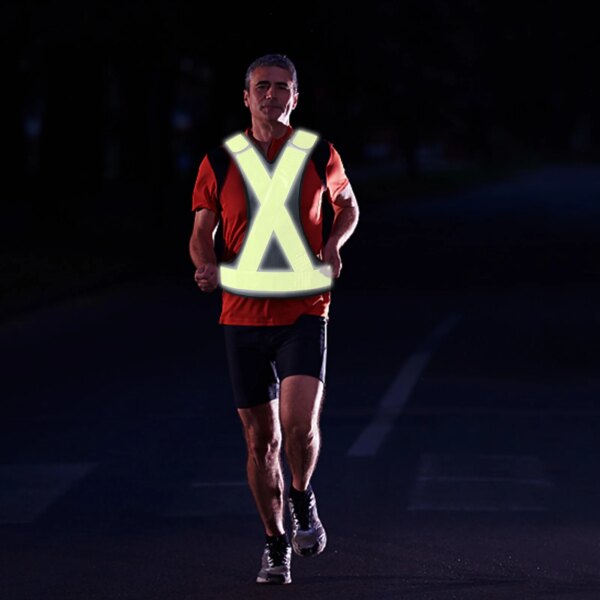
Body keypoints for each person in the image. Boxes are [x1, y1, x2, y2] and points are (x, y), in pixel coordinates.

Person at [189, 53, 359, 585]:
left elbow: (347, 204)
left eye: (280, 87)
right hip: (241, 315)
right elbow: (201, 229)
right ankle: (275, 541)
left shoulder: (317, 151)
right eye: (260, 86)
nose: (270, 94)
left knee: (299, 427)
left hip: (305, 309)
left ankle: (304, 496)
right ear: (245, 97)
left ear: (294, 97)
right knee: (260, 441)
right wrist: (204, 265)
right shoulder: (220, 160)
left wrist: (334, 243)